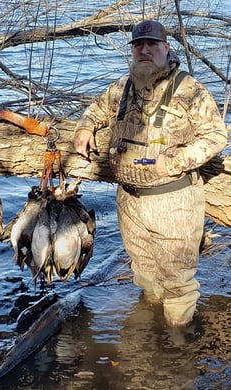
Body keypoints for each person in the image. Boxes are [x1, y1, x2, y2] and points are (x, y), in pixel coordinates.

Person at [74, 20, 228, 328]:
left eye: (152, 45)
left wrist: (174, 162)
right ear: (132, 50)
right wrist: (84, 127)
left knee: (178, 284)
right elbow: (97, 109)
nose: (144, 50)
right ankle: (151, 337)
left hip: (172, 201)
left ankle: (177, 347)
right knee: (144, 274)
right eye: (138, 45)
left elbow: (216, 136)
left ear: (166, 48)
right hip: (130, 201)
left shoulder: (190, 90)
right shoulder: (123, 86)